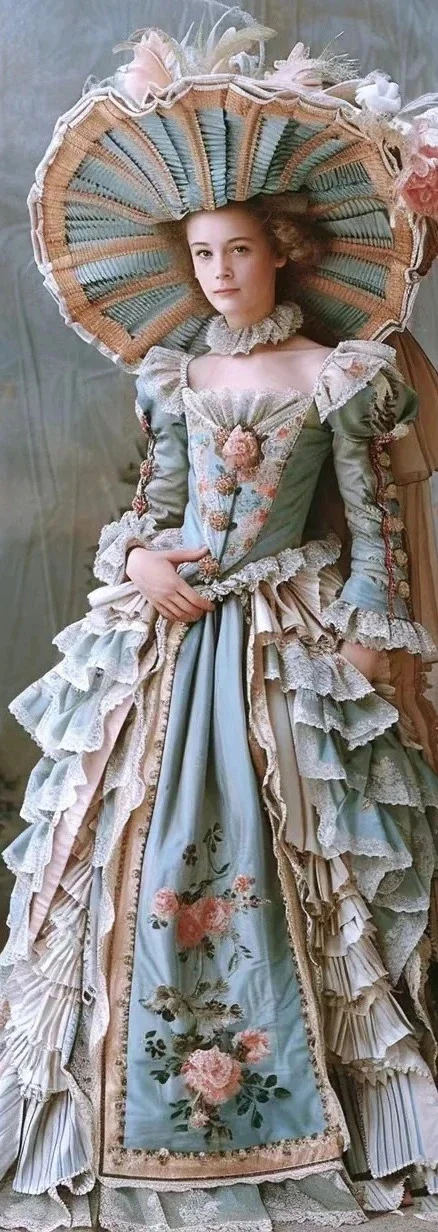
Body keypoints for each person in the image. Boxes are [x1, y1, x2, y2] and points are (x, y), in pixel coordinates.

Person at [2, 13, 438, 1230]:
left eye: (238, 249)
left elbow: (375, 524)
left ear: (281, 252)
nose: (219, 273)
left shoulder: (336, 374)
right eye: (201, 254)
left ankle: (321, 1096)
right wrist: (142, 561)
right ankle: (119, 1106)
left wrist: (369, 631)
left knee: (301, 838)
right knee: (117, 836)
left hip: (284, 630)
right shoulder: (176, 378)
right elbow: (149, 506)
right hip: (171, 628)